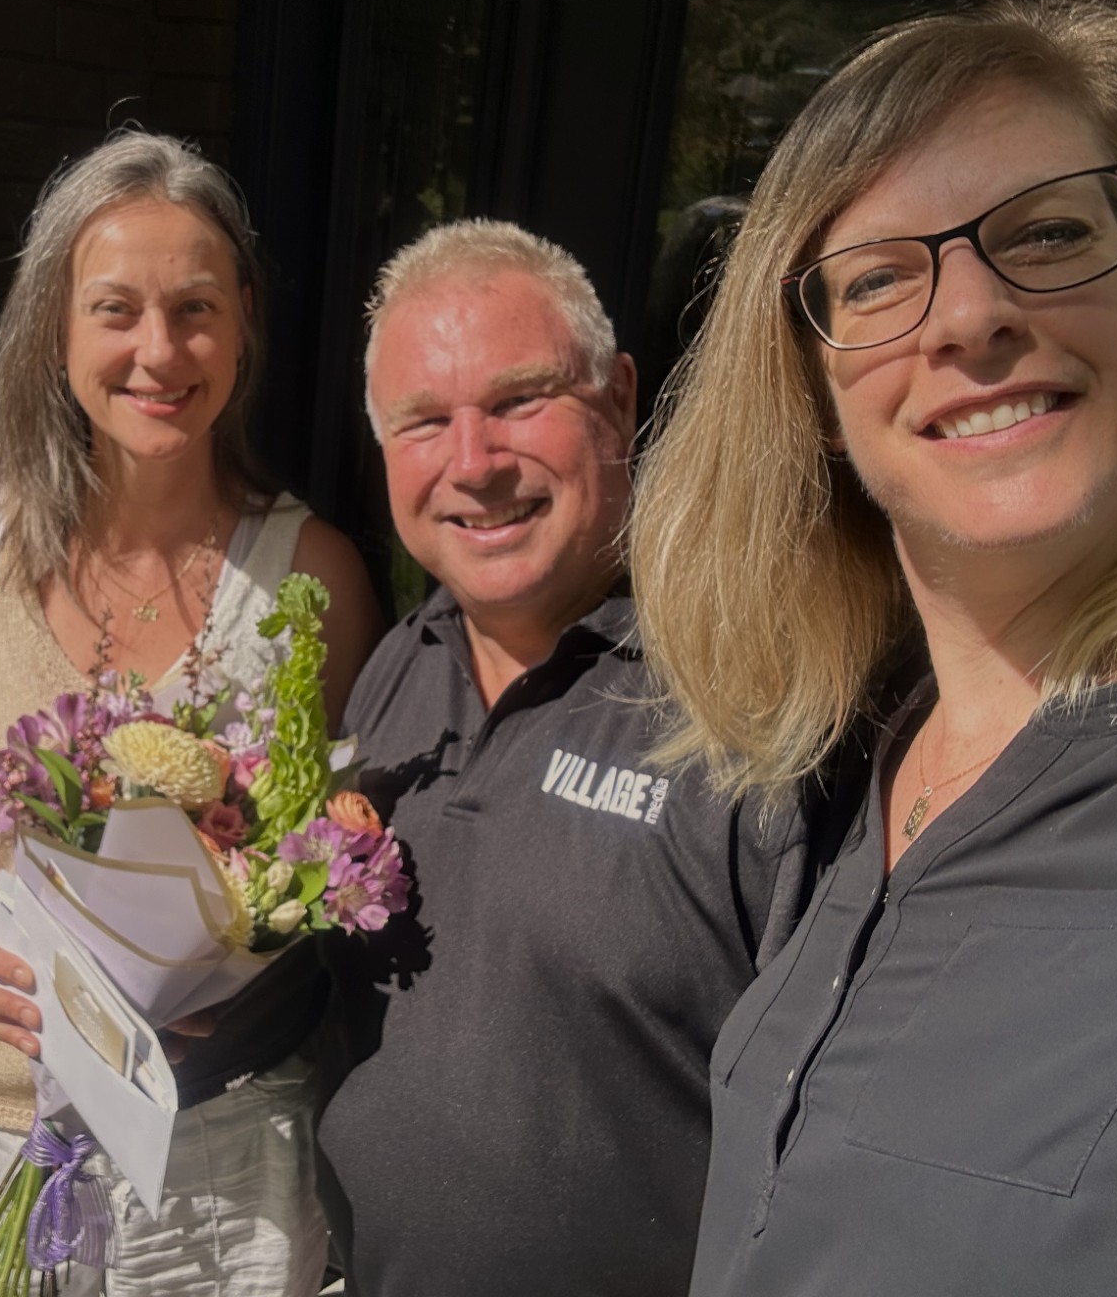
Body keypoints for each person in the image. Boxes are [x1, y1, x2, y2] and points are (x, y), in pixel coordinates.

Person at [628, 0, 1117, 1296]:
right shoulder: (875, 767)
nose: (968, 315)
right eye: (877, 278)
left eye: (1047, 232)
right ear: (810, 395)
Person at [0, 129, 381, 1297]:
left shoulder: (316, 580)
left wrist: (252, 966)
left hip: (218, 1150)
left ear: (243, 319)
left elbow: (337, 840)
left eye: (196, 308)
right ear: (57, 327)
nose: (160, 350)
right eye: (115, 310)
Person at [318, 219, 824, 1296]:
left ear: (622, 397)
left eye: (517, 400)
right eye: (423, 421)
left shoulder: (747, 704)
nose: (474, 463)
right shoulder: (399, 669)